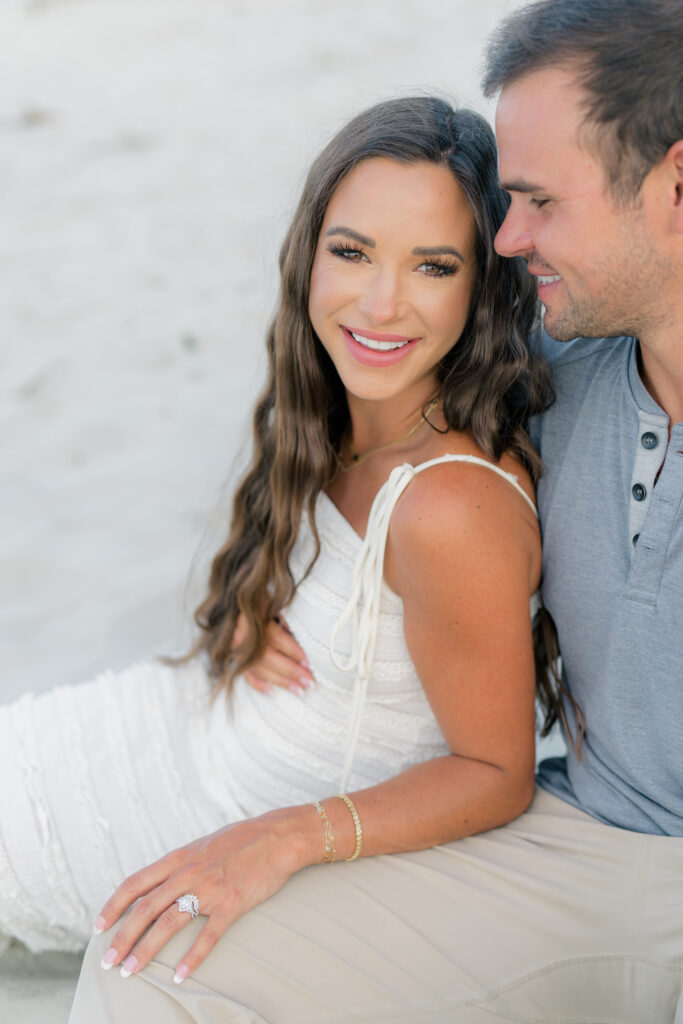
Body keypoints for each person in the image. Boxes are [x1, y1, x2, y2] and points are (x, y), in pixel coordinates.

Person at [69, 0, 683, 1020]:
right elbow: (362, 384)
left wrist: (290, 830)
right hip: (573, 831)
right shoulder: (560, 352)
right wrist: (281, 591)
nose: (507, 235)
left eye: (536, 200)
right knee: (162, 952)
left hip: (645, 878)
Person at [0, 96, 556, 980]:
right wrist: (244, 626)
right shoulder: (347, 411)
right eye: (351, 252)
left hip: (209, 818)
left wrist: (281, 837)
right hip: (168, 726)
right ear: (309, 252)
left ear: (483, 287)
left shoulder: (448, 506)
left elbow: (496, 771)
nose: (380, 303)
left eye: (433, 266)